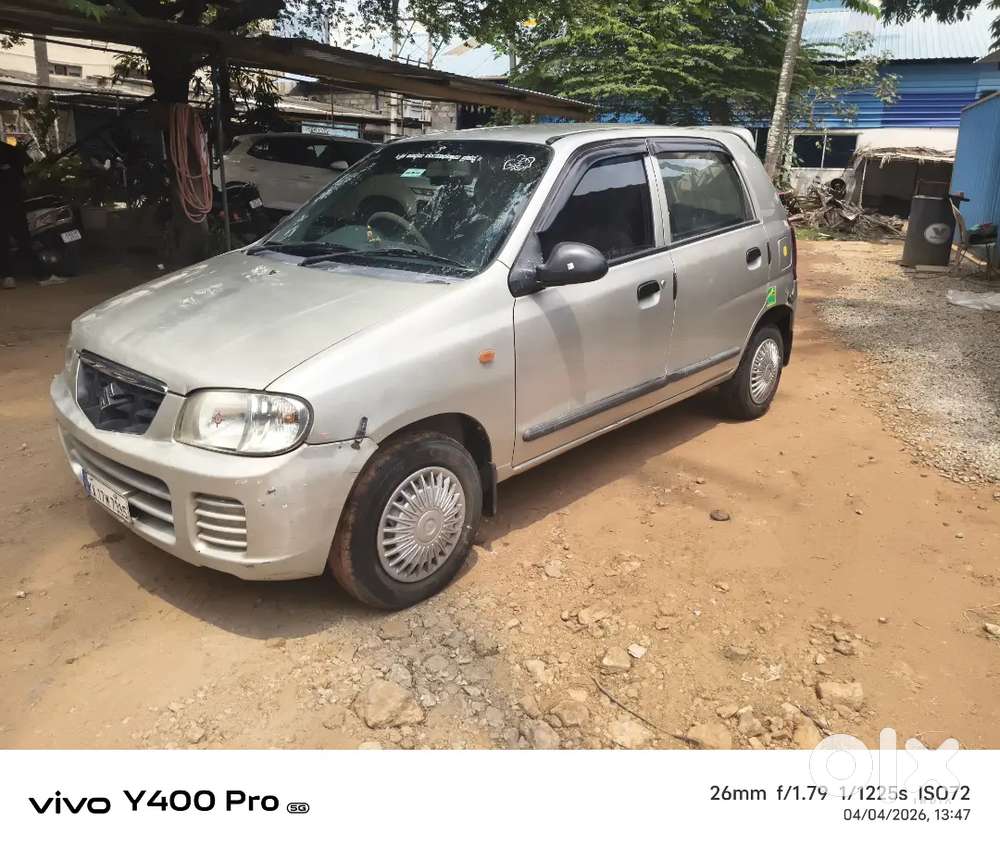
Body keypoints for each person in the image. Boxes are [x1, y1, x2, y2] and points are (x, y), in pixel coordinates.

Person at [0, 137, 33, 289]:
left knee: (7, 241)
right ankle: (40, 273)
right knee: (22, 238)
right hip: (13, 203)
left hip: (12, 203)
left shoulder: (10, 151)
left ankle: (8, 276)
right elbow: (26, 171)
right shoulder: (11, 151)